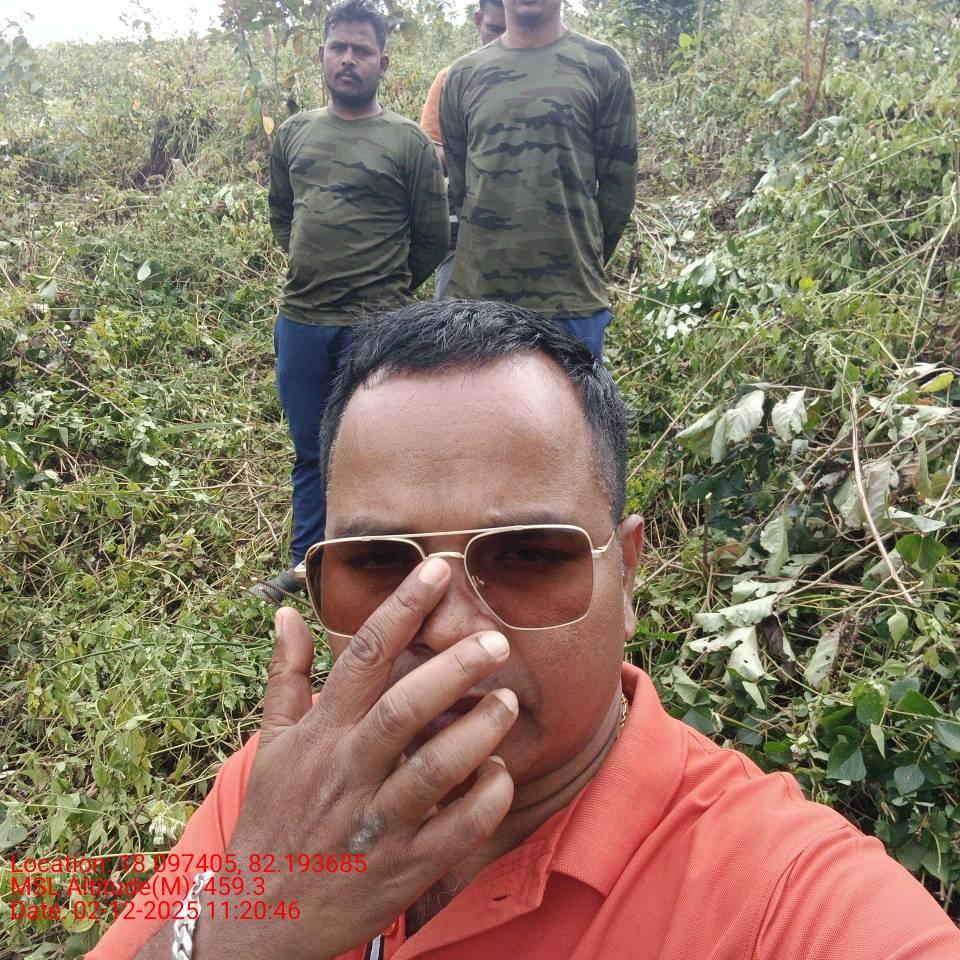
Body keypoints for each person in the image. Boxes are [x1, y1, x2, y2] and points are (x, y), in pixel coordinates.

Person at [91, 299, 960, 960]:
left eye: (529, 557)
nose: (448, 630)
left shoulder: (784, 902)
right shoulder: (284, 797)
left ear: (626, 575)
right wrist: (235, 930)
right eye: (380, 564)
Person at [251, 0, 449, 602]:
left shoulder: (408, 142)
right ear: (321, 56)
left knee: (380, 445)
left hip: (378, 326)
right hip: (303, 320)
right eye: (338, 47)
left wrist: (386, 291)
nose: (348, 59)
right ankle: (307, 563)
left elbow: (432, 237)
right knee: (312, 449)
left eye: (362, 50)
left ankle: (388, 558)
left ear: (382, 63)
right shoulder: (294, 134)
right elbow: (282, 215)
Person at [439, 0, 638, 361]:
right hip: (477, 302)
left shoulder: (602, 66)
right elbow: (461, 186)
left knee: (571, 401)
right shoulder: (463, 75)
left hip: (571, 302)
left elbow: (618, 192)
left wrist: (577, 260)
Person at [419, 0, 507, 299]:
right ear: (479, 21)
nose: (502, 40)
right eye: (495, 29)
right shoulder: (453, 78)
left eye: (510, 30)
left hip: (527, 232)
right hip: (463, 225)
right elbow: (432, 154)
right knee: (452, 318)